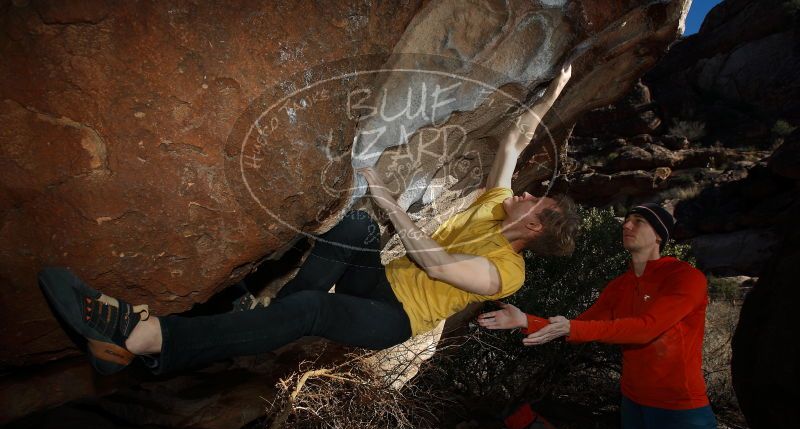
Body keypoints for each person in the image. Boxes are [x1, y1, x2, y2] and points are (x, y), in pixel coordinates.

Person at [38, 62, 579, 377]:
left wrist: (390, 200)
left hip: (394, 318)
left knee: (315, 308)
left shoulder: (508, 271)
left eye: (538, 202)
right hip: (379, 281)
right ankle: (268, 310)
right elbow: (513, 140)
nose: (528, 193)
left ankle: (143, 339)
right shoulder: (493, 205)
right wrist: (559, 82)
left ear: (535, 228)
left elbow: (438, 267)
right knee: (358, 228)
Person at [477, 204, 748, 429]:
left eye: (640, 221)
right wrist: (525, 321)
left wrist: (570, 329)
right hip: (634, 406)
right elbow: (582, 324)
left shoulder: (684, 278)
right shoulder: (620, 286)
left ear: (660, 235)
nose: (628, 225)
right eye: (627, 219)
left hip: (682, 412)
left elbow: (646, 327)